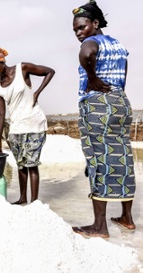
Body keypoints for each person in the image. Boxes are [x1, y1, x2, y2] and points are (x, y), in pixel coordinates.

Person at [71, 1, 135, 239]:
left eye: (82, 27)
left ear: (95, 23)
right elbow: (124, 72)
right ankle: (126, 218)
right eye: (76, 30)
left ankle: (99, 226)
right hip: (120, 102)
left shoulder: (92, 42)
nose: (79, 33)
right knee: (122, 157)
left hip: (98, 104)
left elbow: (86, 54)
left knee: (98, 160)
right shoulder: (117, 44)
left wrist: (93, 78)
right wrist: (116, 92)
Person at [0, 47, 55, 205]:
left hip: (33, 123)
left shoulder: (22, 68)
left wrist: (37, 92)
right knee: (21, 165)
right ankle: (23, 198)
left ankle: (34, 202)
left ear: (2, 61)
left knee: (32, 164)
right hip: (16, 128)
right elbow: (1, 114)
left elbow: (50, 71)